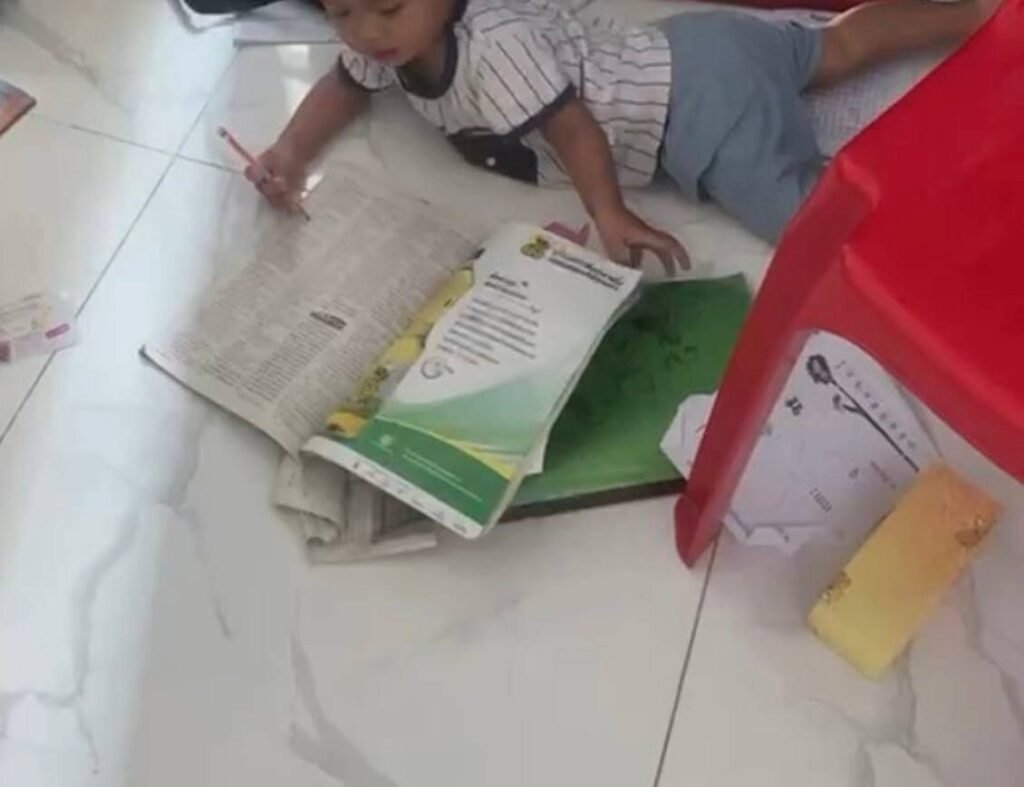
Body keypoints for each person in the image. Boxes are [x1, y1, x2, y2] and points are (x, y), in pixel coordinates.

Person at [247, 0, 995, 269]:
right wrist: (288, 151)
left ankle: (959, 224)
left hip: (695, 110)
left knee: (812, 230)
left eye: (386, 8)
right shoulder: (381, 45)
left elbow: (572, 129)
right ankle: (971, 15)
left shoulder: (494, 50)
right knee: (829, 49)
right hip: (691, 45)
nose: (365, 34)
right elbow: (344, 85)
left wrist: (609, 212)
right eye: (340, 12)